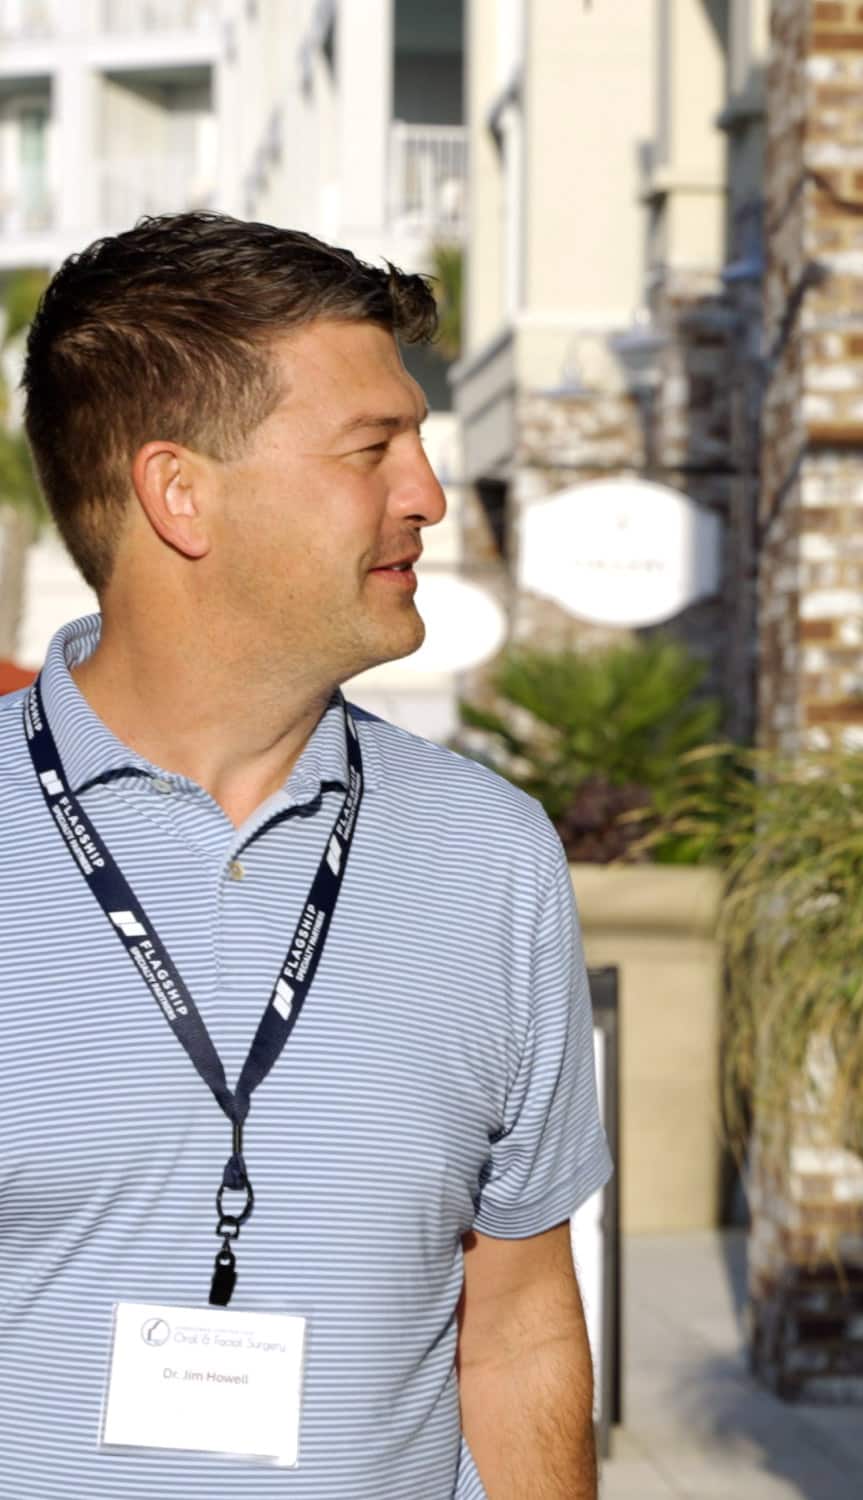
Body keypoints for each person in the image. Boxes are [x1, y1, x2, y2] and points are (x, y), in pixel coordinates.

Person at [0, 213, 610, 1497]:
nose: (429, 496)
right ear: (181, 493)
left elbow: (516, 1326)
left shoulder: (491, 857)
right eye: (372, 446)